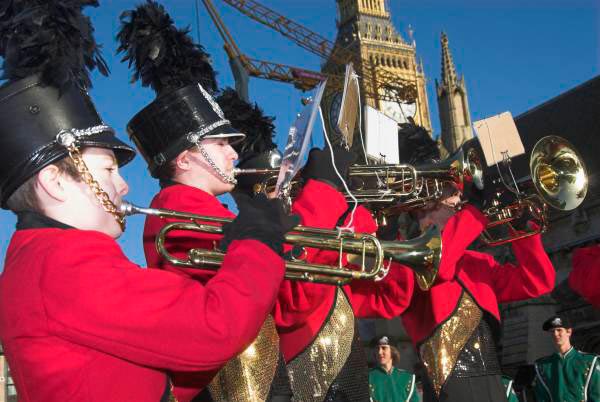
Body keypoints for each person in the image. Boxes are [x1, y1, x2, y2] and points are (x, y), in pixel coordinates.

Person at [0, 1, 291, 400]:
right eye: (108, 171)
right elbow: (213, 328)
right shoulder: (61, 265)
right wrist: (258, 243)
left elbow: (166, 371)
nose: (125, 186)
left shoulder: (54, 258)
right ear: (55, 181)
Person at [397, 125, 556, 402]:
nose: (460, 199)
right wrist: (474, 214)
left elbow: (537, 282)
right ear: (425, 210)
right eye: (452, 193)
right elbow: (440, 267)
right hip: (448, 388)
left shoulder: (478, 263)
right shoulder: (412, 260)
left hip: (492, 384)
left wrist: (522, 231)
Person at [533, 315, 600, 402]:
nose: (555, 334)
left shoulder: (589, 361)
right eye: (552, 331)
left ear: (569, 332)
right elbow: (542, 398)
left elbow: (597, 396)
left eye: (559, 330)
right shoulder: (542, 366)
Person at [369, 335, 419, 402]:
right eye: (377, 349)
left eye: (384, 348)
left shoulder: (407, 377)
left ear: (393, 351)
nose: (379, 352)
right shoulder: (368, 377)